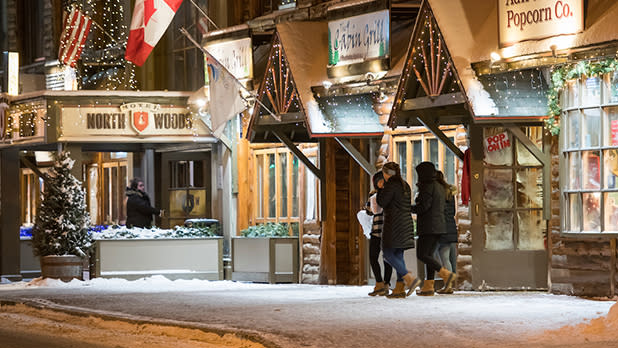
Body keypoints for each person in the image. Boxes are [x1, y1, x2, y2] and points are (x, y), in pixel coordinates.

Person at [411, 162, 456, 296]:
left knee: (422, 254)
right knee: (429, 255)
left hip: (428, 226)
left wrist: (409, 207)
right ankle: (428, 286)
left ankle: (445, 274)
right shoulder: (439, 186)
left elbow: (423, 207)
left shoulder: (427, 186)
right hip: (439, 225)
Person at [376, 162, 420, 298]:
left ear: (386, 173)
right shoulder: (404, 185)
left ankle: (409, 278)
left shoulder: (390, 185)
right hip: (406, 223)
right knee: (398, 254)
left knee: (388, 253)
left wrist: (380, 189)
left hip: (394, 224)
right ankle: (399, 289)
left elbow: (382, 202)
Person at [367, 171, 393, 296]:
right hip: (376, 230)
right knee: (373, 256)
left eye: (383, 180)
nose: (382, 183)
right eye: (379, 181)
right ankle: (379, 282)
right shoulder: (374, 196)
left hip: (388, 229)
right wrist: (371, 200)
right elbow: (369, 211)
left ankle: (386, 283)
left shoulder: (390, 194)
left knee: (387, 258)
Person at [435, 170, 458, 294]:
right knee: (447, 257)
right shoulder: (449, 192)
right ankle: (448, 284)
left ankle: (448, 285)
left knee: (444, 257)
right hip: (450, 225)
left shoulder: (438, 192)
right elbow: (453, 211)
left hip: (442, 227)